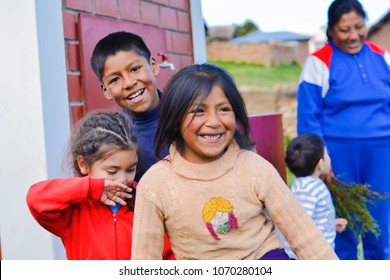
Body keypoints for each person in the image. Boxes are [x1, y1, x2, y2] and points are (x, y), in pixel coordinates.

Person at [131, 63, 338, 260]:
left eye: (224, 109)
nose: (214, 122)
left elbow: (305, 235)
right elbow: (145, 259)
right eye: (198, 111)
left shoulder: (255, 168)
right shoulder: (155, 184)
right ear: (175, 121)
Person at [296, 0, 390, 260]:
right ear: (331, 31)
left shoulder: (382, 57)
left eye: (359, 27)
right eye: (344, 29)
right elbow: (308, 117)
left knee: (381, 227)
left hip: (382, 152)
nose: (353, 36)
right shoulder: (318, 63)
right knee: (342, 227)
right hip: (338, 154)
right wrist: (320, 160)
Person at [26, 111, 174, 260]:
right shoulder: (74, 211)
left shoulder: (144, 204)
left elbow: (167, 255)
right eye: (112, 171)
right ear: (84, 164)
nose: (122, 179)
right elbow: (36, 199)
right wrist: (91, 187)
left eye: (130, 169)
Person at [90, 31, 165, 183]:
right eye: (115, 79)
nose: (129, 83)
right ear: (106, 90)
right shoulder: (114, 137)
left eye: (135, 69)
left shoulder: (187, 113)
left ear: (153, 66)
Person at [279, 134, 348, 259]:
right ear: (320, 164)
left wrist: (330, 224)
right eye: (326, 154)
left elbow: (309, 219)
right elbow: (299, 227)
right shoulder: (310, 189)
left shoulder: (302, 185)